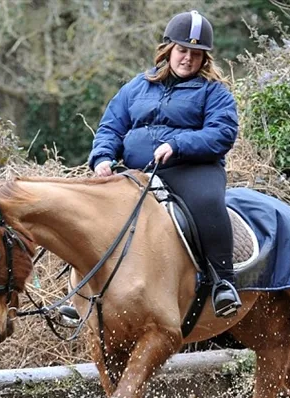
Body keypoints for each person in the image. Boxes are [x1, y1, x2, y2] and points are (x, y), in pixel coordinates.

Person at [88, 10, 241, 318]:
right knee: (92, 212)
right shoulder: (137, 86)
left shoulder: (214, 92)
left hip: (193, 170)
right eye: (183, 50)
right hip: (136, 171)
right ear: (169, 49)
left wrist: (178, 145)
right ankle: (84, 290)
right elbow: (111, 127)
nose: (188, 59)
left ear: (204, 58)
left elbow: (222, 133)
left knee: (209, 202)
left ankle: (223, 283)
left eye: (196, 54)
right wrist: (103, 158)